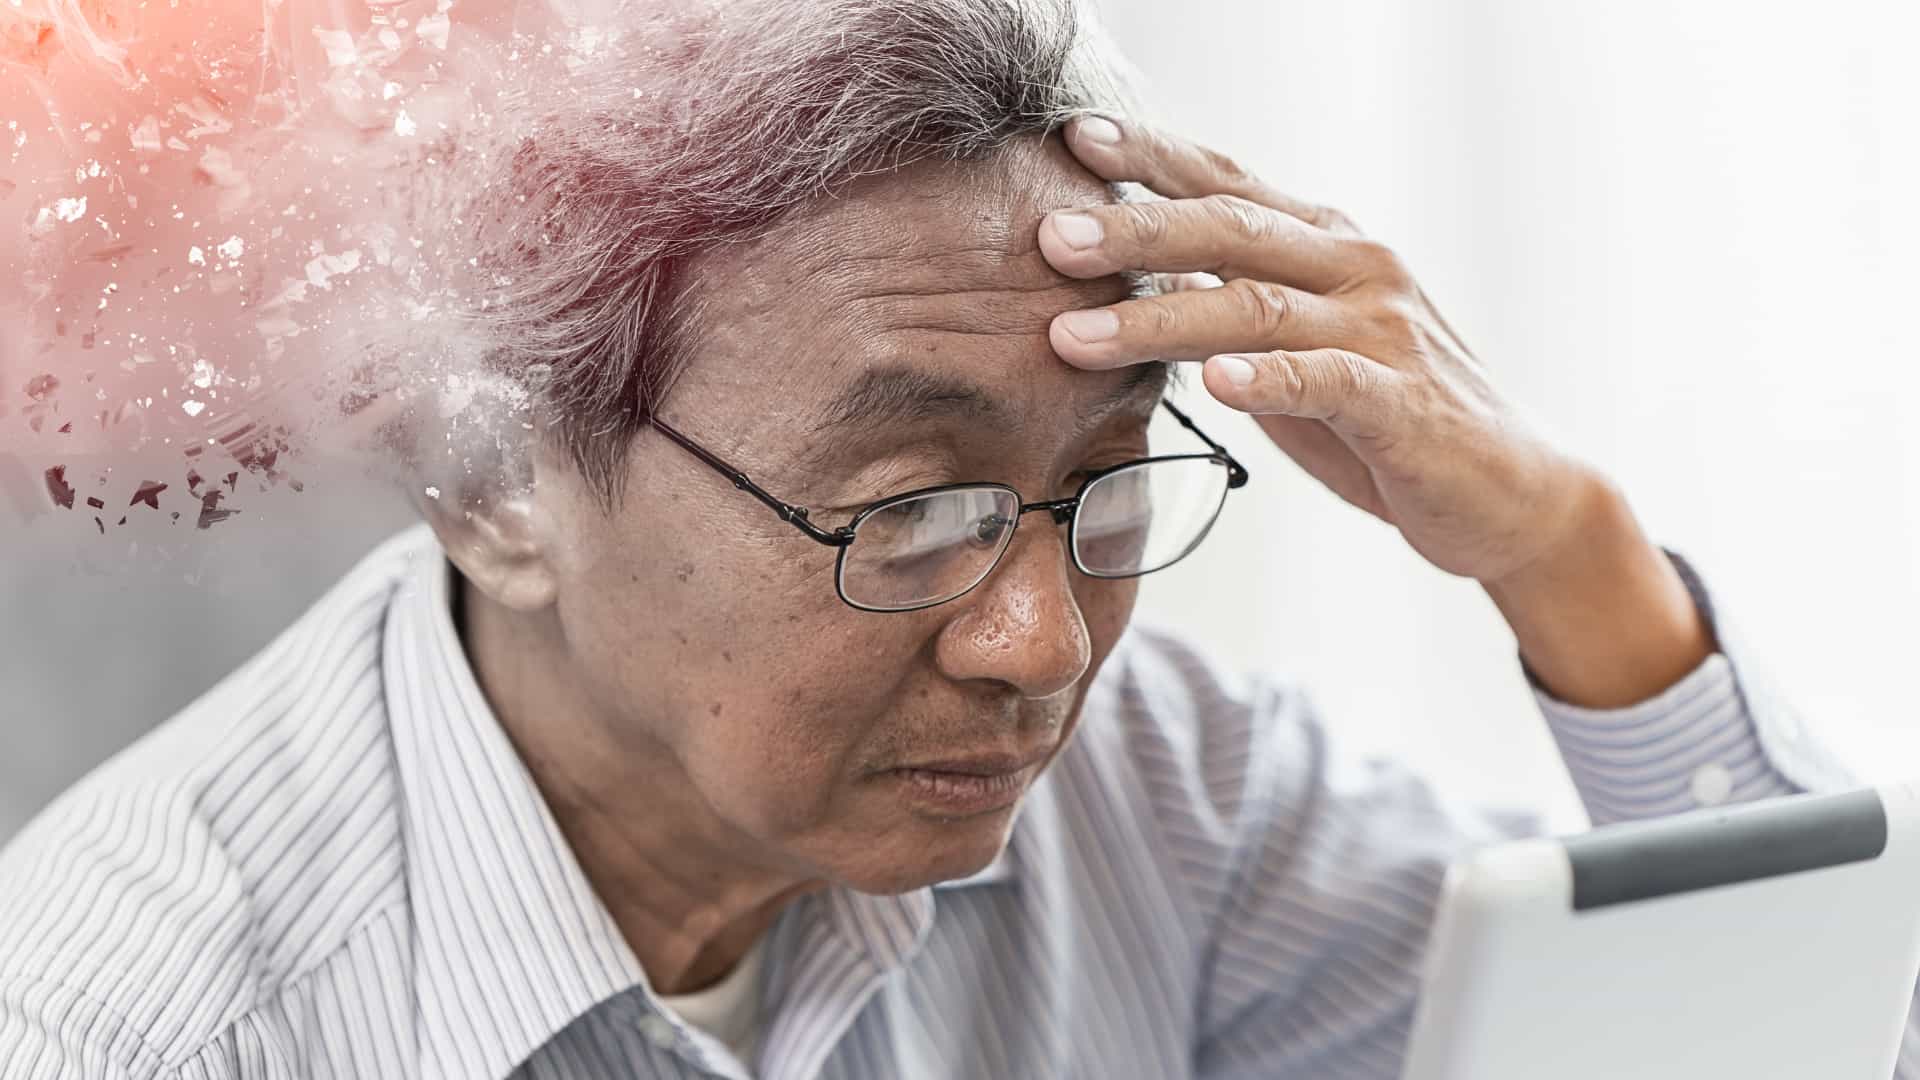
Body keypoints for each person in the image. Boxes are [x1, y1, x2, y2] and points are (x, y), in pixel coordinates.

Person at [0, 1, 1910, 1077]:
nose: (1041, 647)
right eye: (910, 511)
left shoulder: (1165, 799)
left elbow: (1788, 1051)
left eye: (1108, 484)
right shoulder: (130, 1028)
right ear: (496, 484)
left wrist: (1565, 549)